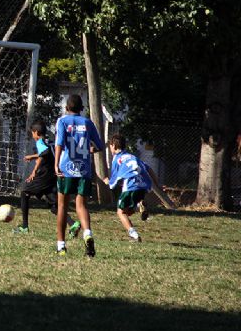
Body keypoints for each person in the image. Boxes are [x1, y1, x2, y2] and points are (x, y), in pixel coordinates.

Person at [54, 94, 105, 257]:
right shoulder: (88, 123)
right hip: (84, 170)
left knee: (62, 205)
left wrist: (56, 164)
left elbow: (59, 144)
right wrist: (91, 150)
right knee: (81, 206)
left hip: (66, 169)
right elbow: (99, 146)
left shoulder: (62, 121)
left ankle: (61, 246)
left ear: (67, 108)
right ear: (81, 109)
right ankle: (87, 233)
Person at [14, 120, 81, 237]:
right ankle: (73, 224)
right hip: (53, 176)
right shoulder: (50, 141)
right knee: (54, 207)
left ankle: (24, 226)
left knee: (24, 192)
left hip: (45, 176)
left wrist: (32, 156)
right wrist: (34, 171)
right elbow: (44, 156)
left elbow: (44, 153)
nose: (32, 135)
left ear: (36, 132)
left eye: (32, 133)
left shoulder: (40, 142)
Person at [103, 133, 162, 242]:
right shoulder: (132, 156)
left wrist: (108, 182)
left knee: (120, 212)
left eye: (110, 146)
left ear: (114, 146)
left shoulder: (117, 159)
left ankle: (134, 235)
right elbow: (148, 169)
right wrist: (156, 183)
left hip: (131, 184)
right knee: (129, 211)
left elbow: (114, 179)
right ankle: (140, 203)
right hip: (143, 185)